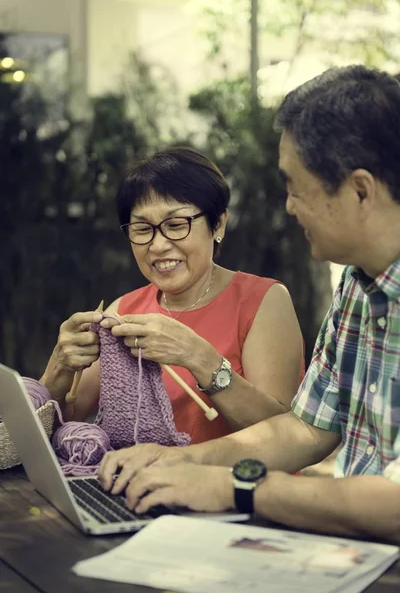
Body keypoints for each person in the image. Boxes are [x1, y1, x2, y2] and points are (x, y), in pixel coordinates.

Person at [98, 65, 400, 543]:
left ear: (360, 190)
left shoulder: (264, 298)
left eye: (295, 186)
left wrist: (232, 486)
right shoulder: (357, 290)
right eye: (142, 228)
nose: (288, 206)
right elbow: (303, 432)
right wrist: (178, 460)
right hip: (357, 553)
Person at [40, 147, 304, 444]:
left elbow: (284, 435)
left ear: (218, 223)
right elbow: (66, 423)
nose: (158, 245)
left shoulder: (265, 301)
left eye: (176, 225)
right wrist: (58, 371)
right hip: (136, 487)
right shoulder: (123, 312)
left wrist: (199, 358)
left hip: (234, 487)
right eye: (142, 229)